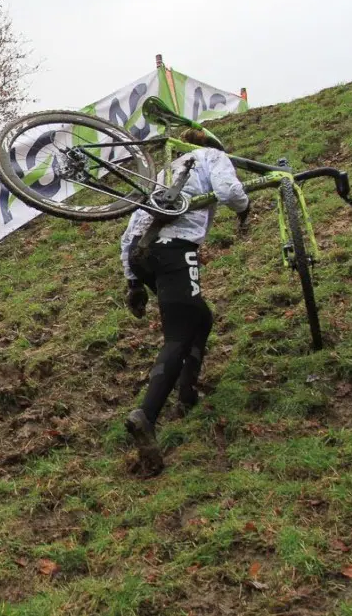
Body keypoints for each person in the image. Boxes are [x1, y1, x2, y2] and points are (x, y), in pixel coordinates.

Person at [120, 129, 249, 475]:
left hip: (140, 254)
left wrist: (133, 282)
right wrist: (244, 207)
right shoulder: (211, 156)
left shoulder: (163, 172)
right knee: (178, 333)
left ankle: (187, 395)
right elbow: (228, 190)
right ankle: (146, 416)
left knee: (199, 317)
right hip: (173, 249)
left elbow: (130, 230)